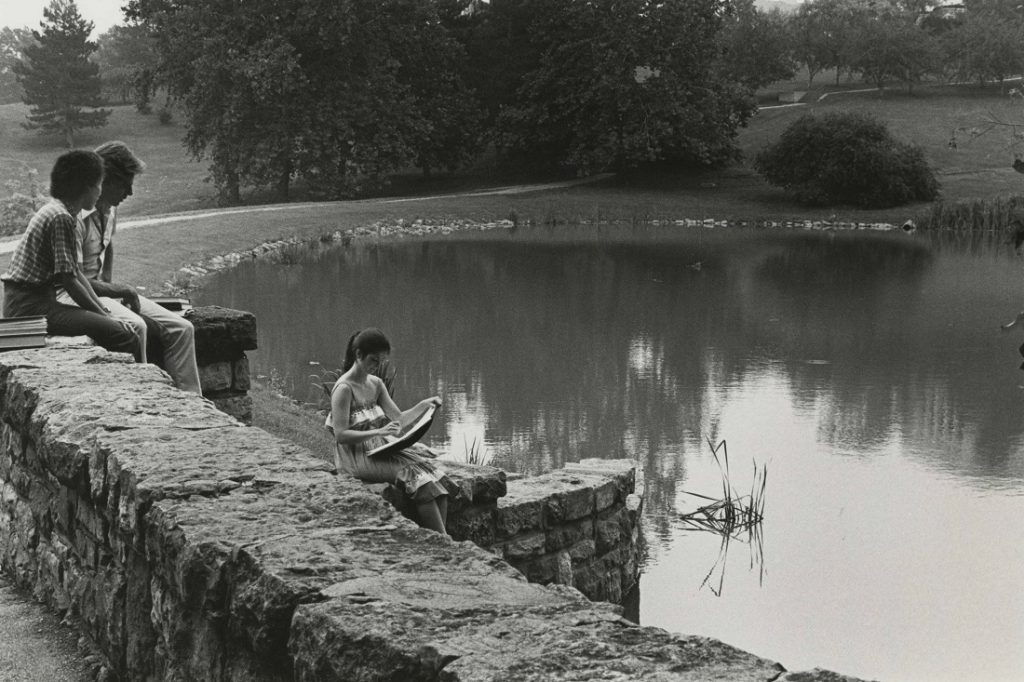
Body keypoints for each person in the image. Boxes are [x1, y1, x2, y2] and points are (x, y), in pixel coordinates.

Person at [56, 141, 202, 394]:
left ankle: (193, 401)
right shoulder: (74, 217)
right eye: (126, 184)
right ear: (106, 180)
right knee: (136, 326)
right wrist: (117, 292)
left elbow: (107, 246)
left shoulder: (109, 212)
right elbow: (73, 278)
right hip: (70, 294)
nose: (131, 193)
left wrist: (112, 286)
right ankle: (143, 399)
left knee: (182, 327)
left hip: (100, 290)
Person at [1, 150, 141, 360]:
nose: (100, 191)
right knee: (123, 335)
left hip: (33, 302)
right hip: (29, 307)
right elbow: (69, 281)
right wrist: (104, 316)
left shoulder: (63, 212)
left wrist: (102, 310)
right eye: (99, 184)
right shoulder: (61, 218)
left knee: (112, 325)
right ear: (86, 187)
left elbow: (75, 272)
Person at [326, 328, 455, 534]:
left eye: (380, 362)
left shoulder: (376, 384)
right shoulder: (344, 389)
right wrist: (378, 433)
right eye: (373, 360)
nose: (376, 366)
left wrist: (424, 405)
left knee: (432, 474)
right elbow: (341, 436)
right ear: (358, 355)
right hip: (355, 456)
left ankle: (442, 537)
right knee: (416, 478)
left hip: (380, 450)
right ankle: (442, 541)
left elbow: (399, 419)